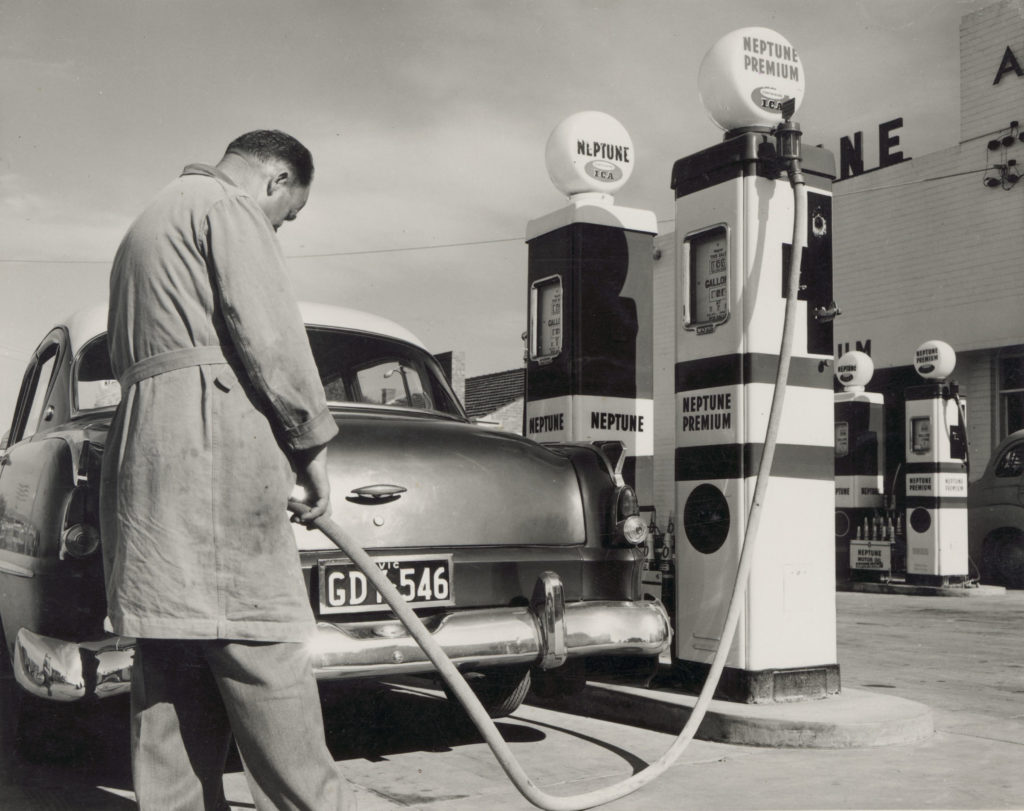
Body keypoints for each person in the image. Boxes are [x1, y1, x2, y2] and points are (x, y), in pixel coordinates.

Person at [99, 130, 354, 810]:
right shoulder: (229, 207)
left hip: (149, 465)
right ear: (274, 180)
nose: (280, 227)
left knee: (171, 691)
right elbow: (269, 333)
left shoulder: (146, 222)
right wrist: (313, 447)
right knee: (265, 659)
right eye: (287, 214)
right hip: (212, 456)